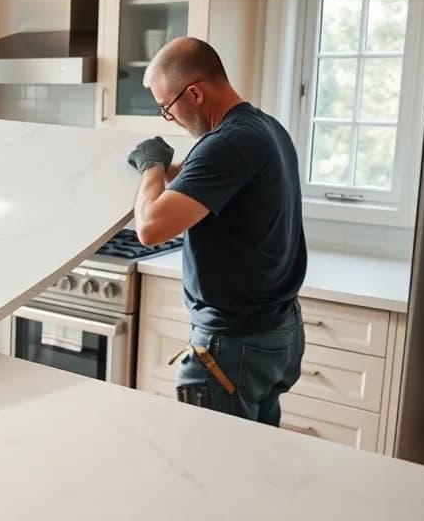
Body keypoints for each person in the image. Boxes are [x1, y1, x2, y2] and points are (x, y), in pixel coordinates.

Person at [125, 37, 308, 426]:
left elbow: (151, 228)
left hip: (235, 345)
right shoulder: (265, 128)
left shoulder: (230, 142)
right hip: (276, 329)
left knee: (211, 473)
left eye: (166, 108)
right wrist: (160, 171)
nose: (169, 118)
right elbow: (196, 180)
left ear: (194, 92)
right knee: (252, 462)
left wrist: (151, 166)